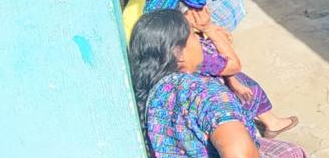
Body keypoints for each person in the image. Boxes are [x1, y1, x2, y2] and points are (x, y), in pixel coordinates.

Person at [142, 0, 300, 140]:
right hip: (201, 104)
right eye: (195, 9)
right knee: (246, 85)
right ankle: (270, 123)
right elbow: (231, 64)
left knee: (235, 78)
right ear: (184, 14)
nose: (203, 9)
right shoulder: (186, 50)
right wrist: (209, 28)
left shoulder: (157, 32)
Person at [130, 10, 306, 158]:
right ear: (179, 53)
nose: (199, 40)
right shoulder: (204, 93)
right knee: (294, 152)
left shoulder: (153, 92)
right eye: (193, 35)